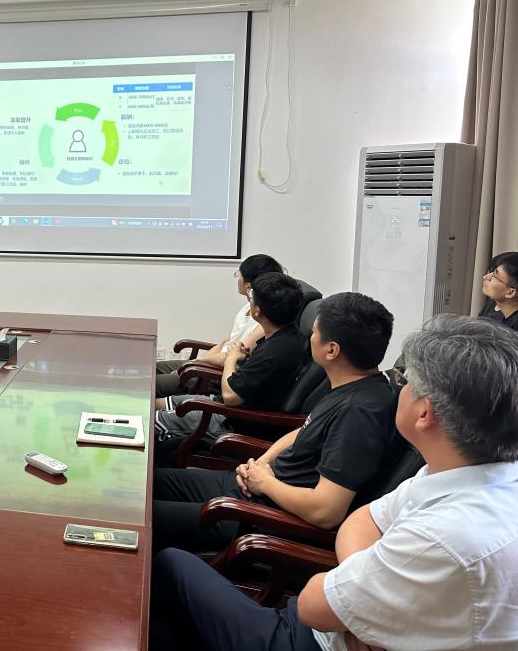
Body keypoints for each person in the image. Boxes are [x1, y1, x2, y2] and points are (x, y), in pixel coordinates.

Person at [150, 314, 518, 651]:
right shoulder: (457, 472)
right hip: (334, 617)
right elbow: (364, 520)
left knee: (169, 564)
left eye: (405, 382)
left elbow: (312, 605)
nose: (398, 388)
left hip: (305, 638)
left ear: (425, 412)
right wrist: (367, 581)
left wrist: (361, 587)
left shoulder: (448, 536)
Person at [152, 292, 398, 553]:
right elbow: (303, 431)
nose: (309, 337)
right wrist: (262, 463)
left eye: (314, 332)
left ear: (331, 350)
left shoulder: (359, 413)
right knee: (146, 486)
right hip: (255, 486)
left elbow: (326, 511)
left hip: (255, 518)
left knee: (139, 516)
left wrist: (265, 484)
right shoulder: (352, 384)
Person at [155, 272, 306, 444]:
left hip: (232, 421)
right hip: (223, 405)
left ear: (257, 310)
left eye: (251, 296)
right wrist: (237, 358)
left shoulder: (273, 353)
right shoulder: (289, 336)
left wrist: (231, 359)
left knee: (148, 420)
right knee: (153, 404)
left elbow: (230, 396)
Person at [155, 254, 282, 399]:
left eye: (239, 274)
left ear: (248, 286)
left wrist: (195, 364)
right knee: (150, 369)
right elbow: (224, 343)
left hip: (216, 374)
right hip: (207, 364)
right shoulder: (248, 307)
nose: (237, 278)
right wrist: (195, 362)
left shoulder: (262, 322)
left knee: (147, 384)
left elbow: (232, 357)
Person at [479, 251, 518, 331]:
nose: (485, 277)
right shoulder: (493, 304)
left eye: (495, 275)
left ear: (510, 292)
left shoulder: (513, 331)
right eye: (491, 271)